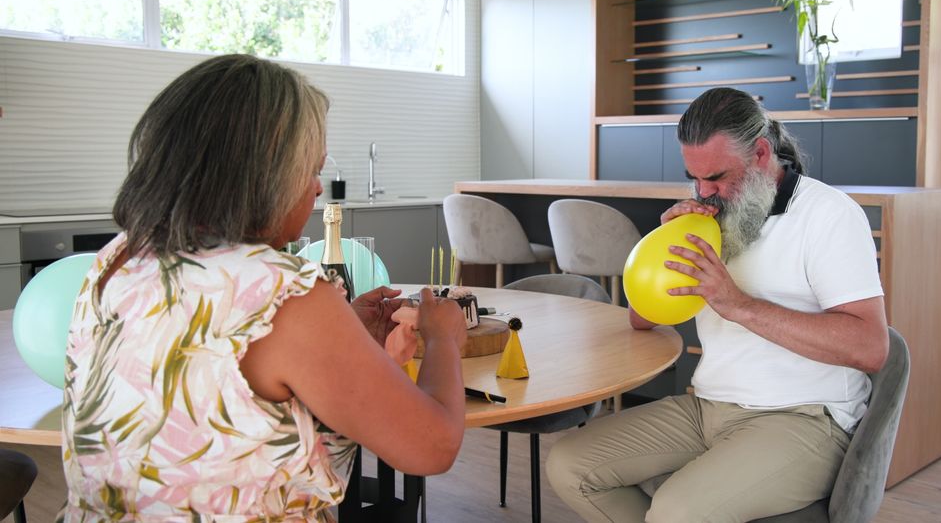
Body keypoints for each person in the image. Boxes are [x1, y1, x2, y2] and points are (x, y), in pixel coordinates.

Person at [59, 54, 468, 521]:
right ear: (265, 175)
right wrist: (442, 339)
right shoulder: (285, 292)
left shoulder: (118, 260)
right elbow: (432, 447)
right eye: (311, 170)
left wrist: (344, 336)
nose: (317, 190)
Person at [546, 88, 889, 522]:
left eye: (718, 177)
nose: (706, 191)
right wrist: (662, 252)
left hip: (804, 417)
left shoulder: (830, 216)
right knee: (569, 465)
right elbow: (640, 320)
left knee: (675, 513)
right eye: (695, 177)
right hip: (708, 406)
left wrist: (738, 304)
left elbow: (871, 347)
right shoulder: (711, 218)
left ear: (762, 153)